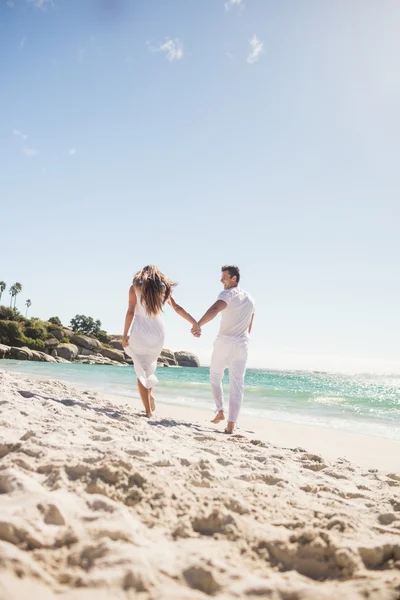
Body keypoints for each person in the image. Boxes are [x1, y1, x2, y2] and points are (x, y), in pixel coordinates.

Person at [122, 265, 199, 418]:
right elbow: (177, 308)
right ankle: (149, 396)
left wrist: (124, 335)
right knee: (149, 369)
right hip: (158, 333)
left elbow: (130, 311)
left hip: (140, 332)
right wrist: (194, 322)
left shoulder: (134, 288)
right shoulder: (163, 290)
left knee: (140, 370)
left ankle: (148, 411)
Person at [191, 265, 255, 434]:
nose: (221, 280)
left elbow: (214, 309)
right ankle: (231, 424)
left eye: (224, 277)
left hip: (224, 343)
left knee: (215, 376)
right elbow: (249, 326)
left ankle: (220, 411)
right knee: (237, 385)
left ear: (234, 278)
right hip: (242, 345)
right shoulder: (250, 299)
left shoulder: (227, 294)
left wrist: (198, 324)